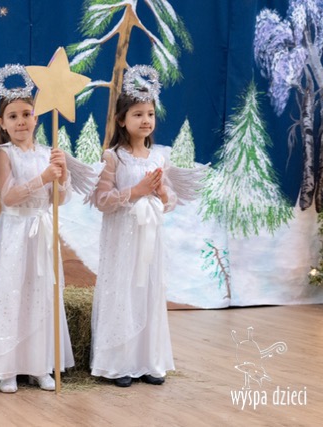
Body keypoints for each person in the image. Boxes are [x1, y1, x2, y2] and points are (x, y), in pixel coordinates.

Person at [0, 64, 94, 393]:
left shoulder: (48, 154)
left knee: (40, 293)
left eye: (26, 114)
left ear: (36, 117)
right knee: (11, 293)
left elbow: (58, 200)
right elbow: (9, 195)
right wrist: (43, 177)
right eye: (13, 116)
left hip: (41, 230)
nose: (21, 121)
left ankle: (39, 365)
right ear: (2, 123)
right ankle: (7, 366)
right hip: (14, 230)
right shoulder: (2, 154)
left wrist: (62, 177)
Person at [90, 65, 180, 387]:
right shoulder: (113, 157)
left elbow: (169, 201)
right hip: (122, 239)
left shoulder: (159, 157)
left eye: (150, 114)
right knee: (123, 292)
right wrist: (136, 191)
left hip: (149, 239)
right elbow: (102, 200)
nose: (145, 120)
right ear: (121, 120)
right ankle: (120, 362)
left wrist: (161, 192)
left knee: (148, 291)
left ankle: (148, 360)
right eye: (138, 114)